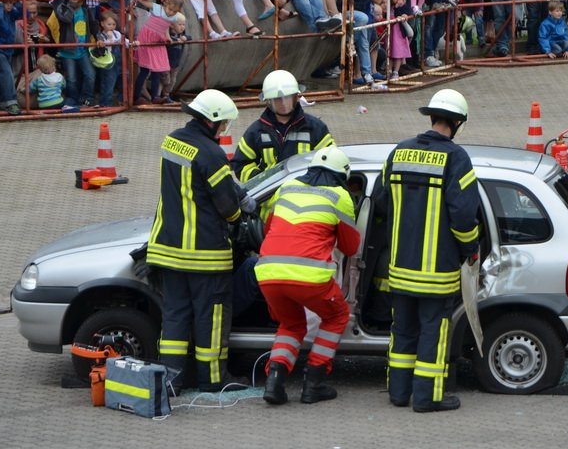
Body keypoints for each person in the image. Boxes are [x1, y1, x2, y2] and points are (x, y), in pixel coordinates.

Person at [383, 88, 480, 412]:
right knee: (432, 334)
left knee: (402, 333)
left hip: (400, 266)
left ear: (432, 116)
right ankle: (427, 398)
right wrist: (471, 249)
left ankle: (398, 394)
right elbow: (464, 216)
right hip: (436, 272)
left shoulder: (398, 153)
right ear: (457, 123)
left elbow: (383, 203)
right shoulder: (456, 158)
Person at [148, 89, 248, 393]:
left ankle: (171, 380)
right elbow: (228, 207)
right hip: (205, 255)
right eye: (224, 123)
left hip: (167, 249)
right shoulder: (211, 153)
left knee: (175, 317)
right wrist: (238, 220)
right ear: (213, 121)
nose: (224, 129)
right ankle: (213, 379)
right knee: (211, 318)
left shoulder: (172, 140)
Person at [256, 146, 361, 405]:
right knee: (337, 315)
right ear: (342, 176)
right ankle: (314, 381)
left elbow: (269, 227)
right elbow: (350, 248)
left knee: (291, 325)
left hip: (268, 272)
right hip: (310, 277)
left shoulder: (287, 188)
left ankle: (274, 382)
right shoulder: (339, 196)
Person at [231, 69, 336, 182]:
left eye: (287, 97)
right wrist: (262, 181)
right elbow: (240, 165)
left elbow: (332, 160)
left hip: (305, 193)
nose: (283, 103)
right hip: (270, 196)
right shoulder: (257, 131)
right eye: (277, 99)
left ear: (296, 97)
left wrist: (311, 181)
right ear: (268, 101)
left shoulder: (315, 127)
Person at [46, 0, 96, 108]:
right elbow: (67, 18)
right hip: (67, 52)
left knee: (90, 74)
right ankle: (72, 98)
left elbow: (93, 26)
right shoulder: (63, 8)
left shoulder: (85, 10)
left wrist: (98, 37)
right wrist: (71, 4)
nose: (78, 1)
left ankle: (87, 97)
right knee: (72, 79)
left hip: (82, 49)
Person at [133, 0, 185, 104]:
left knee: (157, 69)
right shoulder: (157, 8)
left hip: (158, 40)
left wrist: (168, 37)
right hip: (147, 38)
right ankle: (135, 97)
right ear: (166, 4)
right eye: (169, 9)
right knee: (144, 70)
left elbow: (167, 26)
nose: (170, 12)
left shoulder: (174, 16)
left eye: (174, 11)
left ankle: (155, 97)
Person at [95, 10, 122, 107]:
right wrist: (110, 38)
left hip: (118, 61)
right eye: (109, 24)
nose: (111, 27)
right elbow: (108, 46)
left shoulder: (117, 33)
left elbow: (124, 41)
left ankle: (121, 100)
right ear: (102, 24)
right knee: (108, 83)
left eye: (114, 24)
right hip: (108, 63)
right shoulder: (100, 36)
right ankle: (105, 103)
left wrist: (133, 43)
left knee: (122, 80)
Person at [161, 14, 189, 103]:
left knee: (172, 81)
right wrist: (177, 41)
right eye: (180, 24)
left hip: (175, 64)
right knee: (165, 80)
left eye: (184, 25)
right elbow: (169, 40)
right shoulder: (169, 34)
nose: (182, 27)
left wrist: (185, 38)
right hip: (166, 62)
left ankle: (166, 95)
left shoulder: (181, 35)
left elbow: (190, 37)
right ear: (171, 25)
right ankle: (159, 96)